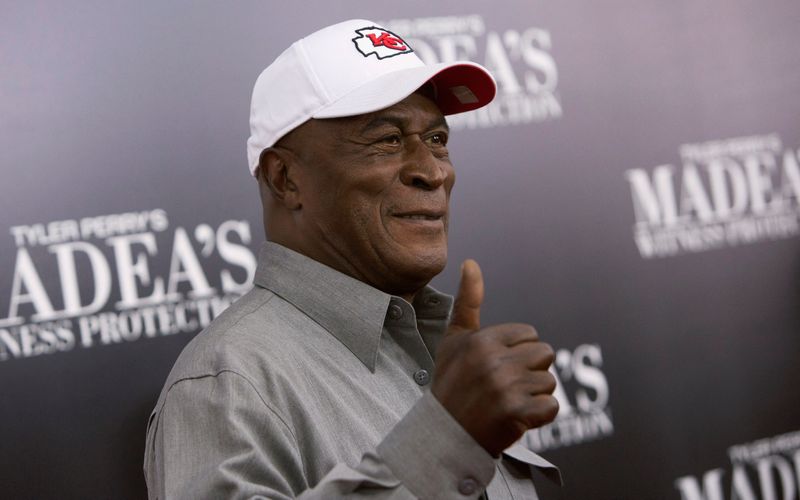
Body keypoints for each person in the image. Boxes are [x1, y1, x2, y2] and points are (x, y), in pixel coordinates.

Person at [144, 19, 561, 499]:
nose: (431, 171)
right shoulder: (228, 385)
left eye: (437, 139)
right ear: (285, 179)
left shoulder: (439, 346)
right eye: (387, 139)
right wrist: (448, 441)